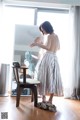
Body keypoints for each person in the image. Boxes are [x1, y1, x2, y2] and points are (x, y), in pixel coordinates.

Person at [30, 21, 63, 104]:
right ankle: (50, 99)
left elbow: (47, 47)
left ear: (46, 28)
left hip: (48, 57)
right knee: (53, 78)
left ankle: (43, 97)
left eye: (43, 30)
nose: (43, 32)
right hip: (54, 58)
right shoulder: (56, 36)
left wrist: (37, 44)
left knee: (43, 77)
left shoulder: (49, 36)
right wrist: (42, 44)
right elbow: (58, 48)